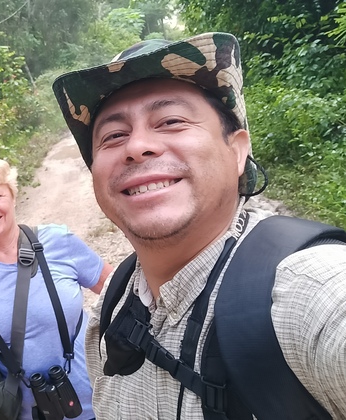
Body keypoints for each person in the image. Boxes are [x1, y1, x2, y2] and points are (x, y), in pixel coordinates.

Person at [52, 32, 346, 418]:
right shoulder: (109, 311)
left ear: (238, 150)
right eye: (113, 135)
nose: (137, 146)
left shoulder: (306, 292)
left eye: (171, 121)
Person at [0, 153, 113, 420]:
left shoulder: (58, 241)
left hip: (99, 398)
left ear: (12, 196)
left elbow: (118, 292)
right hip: (24, 411)